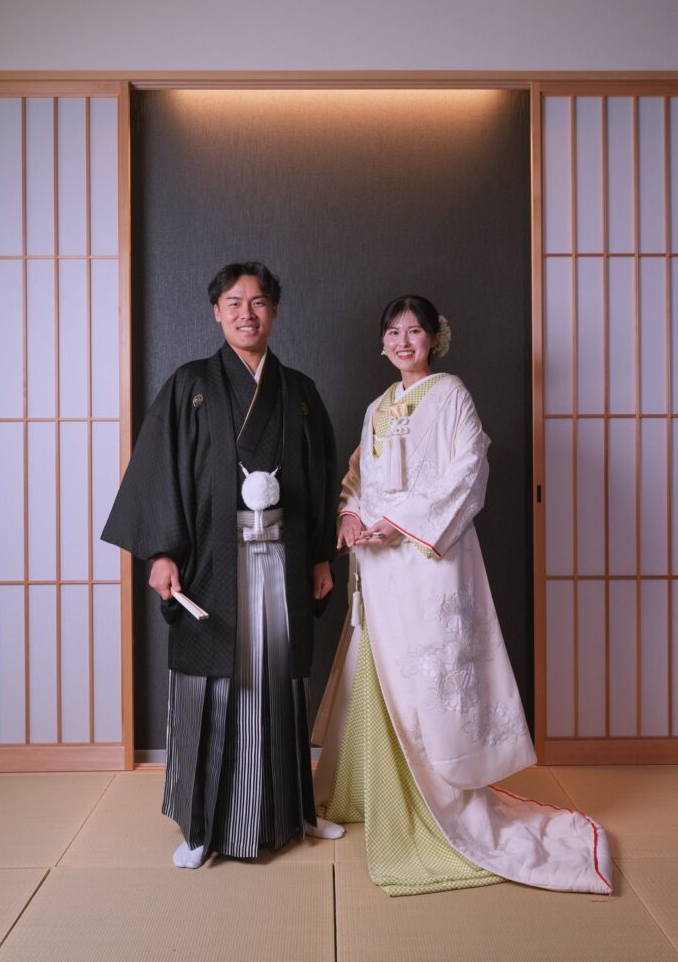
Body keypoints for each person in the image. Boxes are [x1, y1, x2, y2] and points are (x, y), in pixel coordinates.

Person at [312, 294, 612, 897]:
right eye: (393, 332)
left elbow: (468, 472)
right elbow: (358, 478)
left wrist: (401, 523)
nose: (403, 342)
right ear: (382, 343)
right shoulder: (376, 407)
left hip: (430, 560)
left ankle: (436, 805)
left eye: (414, 331)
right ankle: (377, 791)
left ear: (434, 339)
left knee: (432, 679)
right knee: (378, 673)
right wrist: (349, 515)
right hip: (379, 564)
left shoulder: (452, 395)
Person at [102, 261, 343, 868]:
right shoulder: (191, 385)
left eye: (258, 302)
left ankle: (292, 812)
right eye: (233, 302)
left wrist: (320, 555)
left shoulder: (300, 392)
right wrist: (161, 552)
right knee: (210, 688)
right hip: (210, 562)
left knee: (278, 681)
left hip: (283, 561)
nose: (246, 313)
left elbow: (319, 476)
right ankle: (201, 826)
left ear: (274, 311)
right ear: (216, 312)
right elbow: (159, 469)